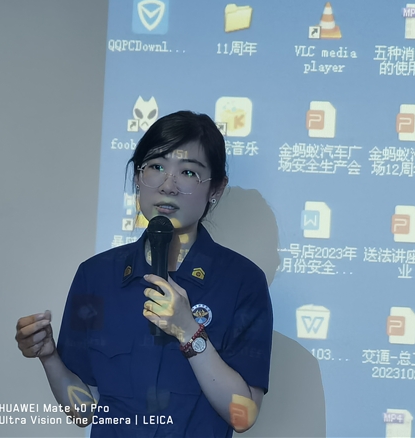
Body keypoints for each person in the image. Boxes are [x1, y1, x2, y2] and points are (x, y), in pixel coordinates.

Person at [15, 111, 274, 437]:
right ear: (138, 177)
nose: (168, 185)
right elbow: (84, 411)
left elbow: (243, 416)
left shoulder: (242, 281)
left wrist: (188, 331)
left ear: (216, 189)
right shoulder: (96, 276)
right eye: (156, 167)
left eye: (189, 172)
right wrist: (50, 358)